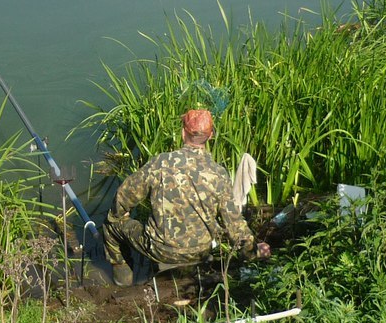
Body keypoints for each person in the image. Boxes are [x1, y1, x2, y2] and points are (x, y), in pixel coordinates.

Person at [103, 108, 270, 286]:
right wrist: (252, 252)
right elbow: (234, 224)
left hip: (161, 250)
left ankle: (123, 281)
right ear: (211, 135)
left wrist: (118, 214)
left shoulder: (160, 163)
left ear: (183, 133)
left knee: (111, 225)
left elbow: (124, 195)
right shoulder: (219, 174)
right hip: (201, 251)